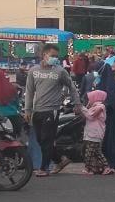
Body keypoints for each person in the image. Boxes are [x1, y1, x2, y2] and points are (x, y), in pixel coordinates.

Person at [24, 43, 81, 177]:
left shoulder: (60, 71)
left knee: (47, 139)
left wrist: (77, 103)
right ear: (44, 55)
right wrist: (27, 110)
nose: (55, 58)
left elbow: (71, 87)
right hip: (36, 111)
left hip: (52, 110)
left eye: (57, 56)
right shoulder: (33, 71)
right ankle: (61, 159)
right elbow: (29, 91)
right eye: (53, 56)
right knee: (40, 140)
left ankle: (44, 168)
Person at [80, 90, 115, 175]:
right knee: (97, 152)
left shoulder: (100, 107)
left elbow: (91, 116)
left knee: (89, 152)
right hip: (92, 133)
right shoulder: (94, 107)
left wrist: (83, 108)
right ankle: (104, 167)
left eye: (90, 98)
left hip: (95, 134)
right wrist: (86, 107)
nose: (89, 100)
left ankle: (88, 168)